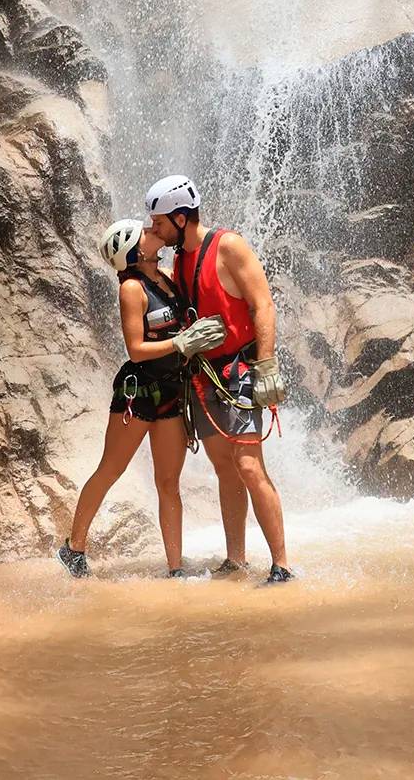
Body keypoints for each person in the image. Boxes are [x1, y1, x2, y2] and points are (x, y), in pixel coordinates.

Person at [143, 174, 293, 585]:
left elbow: (262, 304)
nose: (152, 229)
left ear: (178, 217)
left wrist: (266, 365)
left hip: (239, 371)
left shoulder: (228, 246)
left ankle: (282, 566)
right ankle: (237, 560)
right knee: (224, 467)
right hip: (203, 376)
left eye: (157, 223)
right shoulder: (180, 259)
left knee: (247, 464)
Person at [57, 217, 225, 578]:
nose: (152, 233)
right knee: (111, 469)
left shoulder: (164, 276)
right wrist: (181, 342)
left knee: (168, 482)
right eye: (144, 234)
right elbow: (136, 349)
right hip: (138, 393)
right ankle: (74, 548)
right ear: (135, 252)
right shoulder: (131, 288)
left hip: (171, 390)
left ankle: (175, 567)